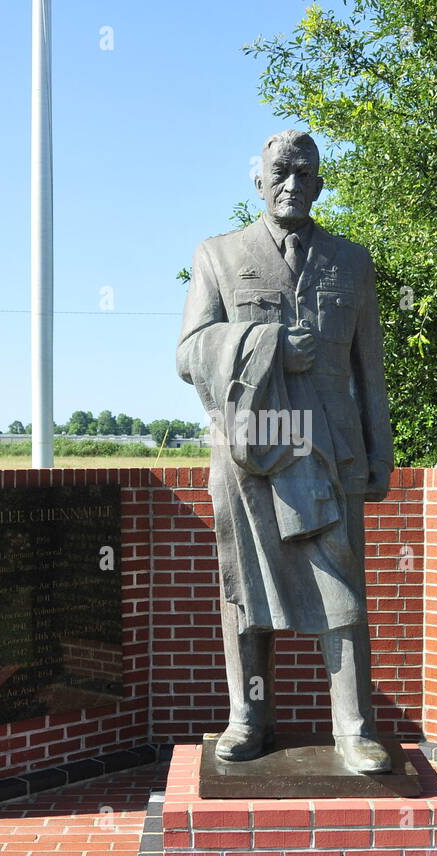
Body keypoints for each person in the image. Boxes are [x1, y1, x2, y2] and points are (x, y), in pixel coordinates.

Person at [176, 130, 394, 772]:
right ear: (259, 179)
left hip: (331, 452)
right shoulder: (219, 255)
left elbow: (369, 369)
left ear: (321, 181)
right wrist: (267, 344)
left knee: (342, 588)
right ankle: (247, 718)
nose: (292, 183)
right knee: (247, 589)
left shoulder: (351, 261)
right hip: (251, 453)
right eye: (280, 171)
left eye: (305, 172)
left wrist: (380, 451)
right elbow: (189, 354)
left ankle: (355, 730)